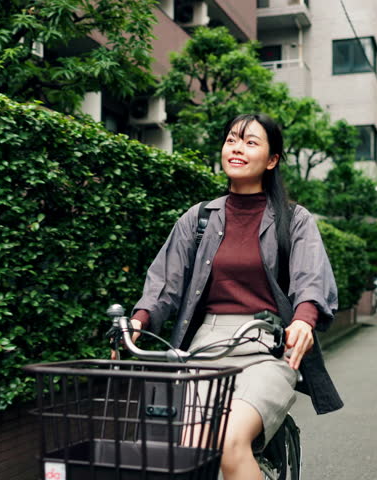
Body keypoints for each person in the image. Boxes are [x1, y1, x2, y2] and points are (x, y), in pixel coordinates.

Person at [124, 113, 343, 479]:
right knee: (191, 450)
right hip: (205, 347)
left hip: (267, 348)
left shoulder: (294, 219)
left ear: (272, 160)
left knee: (229, 441)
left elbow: (311, 279)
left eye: (251, 142)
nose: (237, 148)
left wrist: (304, 320)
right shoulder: (198, 219)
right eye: (231, 140)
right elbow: (165, 282)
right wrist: (138, 320)